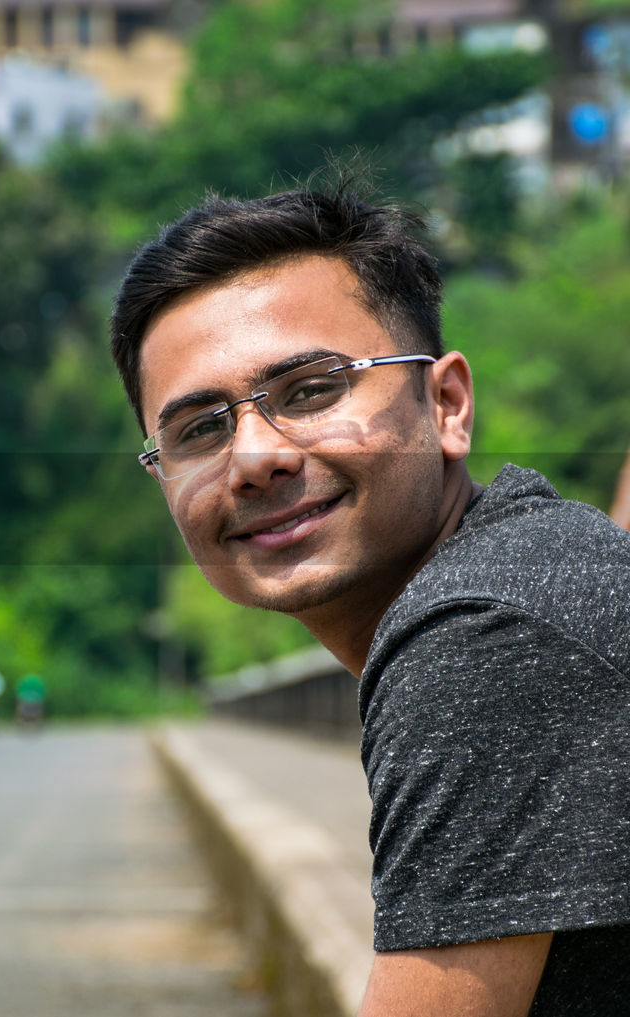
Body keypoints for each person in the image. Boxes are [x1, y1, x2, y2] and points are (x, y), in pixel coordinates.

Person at [110, 184, 630, 1016]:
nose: (253, 456)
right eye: (200, 429)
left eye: (311, 389)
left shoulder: (486, 628)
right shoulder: (520, 567)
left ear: (446, 405)